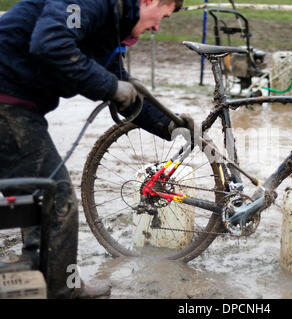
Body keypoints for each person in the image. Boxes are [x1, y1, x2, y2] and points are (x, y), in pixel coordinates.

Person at [0, 0, 189, 298]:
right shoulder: (91, 2)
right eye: (161, 16)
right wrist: (109, 86)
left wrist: (170, 125)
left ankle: (45, 280)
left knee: (37, 202)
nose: (156, 27)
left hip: (16, 104)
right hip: (7, 103)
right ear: (148, 0)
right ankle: (62, 291)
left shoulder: (110, 25)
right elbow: (50, 43)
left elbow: (123, 88)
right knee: (57, 201)